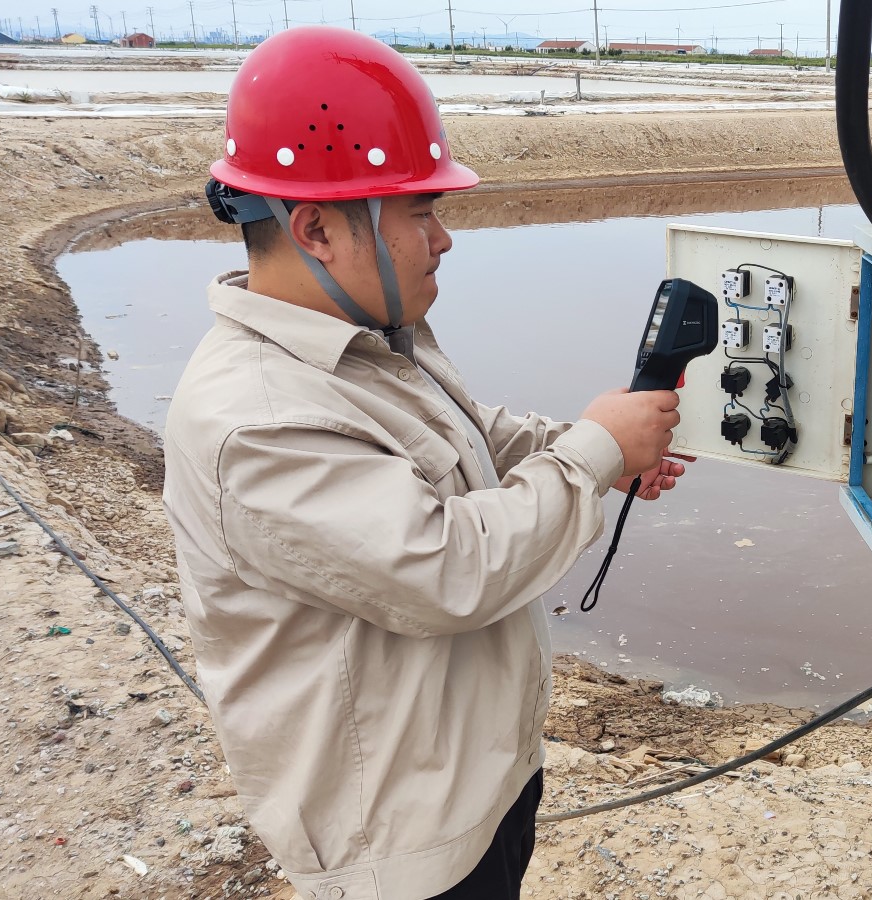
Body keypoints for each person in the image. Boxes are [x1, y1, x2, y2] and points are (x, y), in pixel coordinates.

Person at [162, 26, 684, 900]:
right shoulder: (257, 420)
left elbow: (468, 436)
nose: (442, 240)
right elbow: (447, 568)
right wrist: (595, 450)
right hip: (400, 846)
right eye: (419, 213)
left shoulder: (362, 340)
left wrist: (594, 453)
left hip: (474, 783)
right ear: (317, 229)